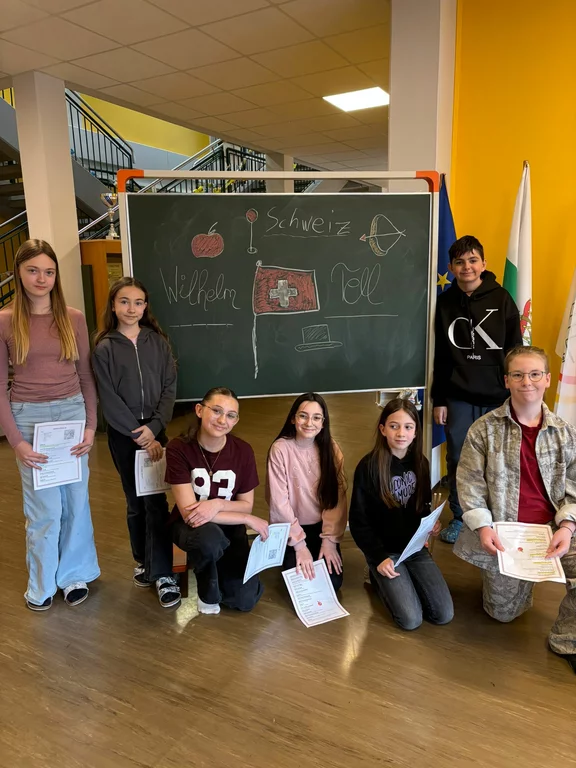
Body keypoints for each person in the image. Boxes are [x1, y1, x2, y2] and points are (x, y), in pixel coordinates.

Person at [454, 345, 576, 674]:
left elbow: (575, 486)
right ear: (507, 380)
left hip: (553, 529)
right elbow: (469, 484)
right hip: (506, 532)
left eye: (535, 374)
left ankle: (566, 641)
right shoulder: (483, 430)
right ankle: (520, 582)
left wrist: (567, 527)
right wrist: (483, 527)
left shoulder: (565, 433)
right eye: (518, 375)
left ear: (547, 379)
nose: (527, 382)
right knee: (503, 614)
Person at [0, 239, 100, 611]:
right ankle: (41, 584)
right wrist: (16, 441)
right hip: (29, 420)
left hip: (72, 416)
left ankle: (74, 575)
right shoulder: (5, 321)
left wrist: (90, 427)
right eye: (33, 270)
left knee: (75, 501)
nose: (41, 279)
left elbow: (86, 375)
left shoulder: (73, 318)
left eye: (49, 271)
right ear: (18, 273)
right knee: (44, 510)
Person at [92, 277, 179, 609]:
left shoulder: (158, 343)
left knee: (156, 500)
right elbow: (108, 397)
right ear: (113, 306)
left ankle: (163, 573)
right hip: (125, 435)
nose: (131, 308)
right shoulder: (104, 348)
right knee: (135, 501)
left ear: (145, 307)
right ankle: (143, 560)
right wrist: (137, 432)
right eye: (124, 301)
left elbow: (169, 387)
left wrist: (154, 428)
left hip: (155, 430)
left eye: (138, 302)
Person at [432, 235, 522, 544]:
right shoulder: (445, 303)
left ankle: (497, 516)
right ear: (451, 267)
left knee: (498, 459)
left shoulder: (502, 299)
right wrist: (439, 399)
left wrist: (516, 393)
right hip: (458, 396)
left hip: (498, 396)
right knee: (459, 457)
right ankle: (460, 516)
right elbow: (441, 356)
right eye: (460, 262)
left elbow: (514, 350)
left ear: (483, 264)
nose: (467, 267)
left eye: (473, 260)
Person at [349, 398, 453, 631]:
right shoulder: (368, 467)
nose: (401, 433)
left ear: (415, 432)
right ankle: (375, 575)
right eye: (394, 426)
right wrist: (378, 557)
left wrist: (429, 525)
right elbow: (358, 521)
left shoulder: (421, 463)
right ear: (382, 429)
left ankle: (403, 578)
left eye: (408, 427)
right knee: (410, 620)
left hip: (413, 548)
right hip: (385, 552)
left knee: (443, 614)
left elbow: (422, 507)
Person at [165, 386, 268, 615]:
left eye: (230, 415)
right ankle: (207, 590)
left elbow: (246, 504)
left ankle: (219, 568)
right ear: (199, 410)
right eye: (216, 411)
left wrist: (217, 504)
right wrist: (247, 519)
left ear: (236, 420)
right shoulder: (178, 448)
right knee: (210, 539)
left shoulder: (243, 451)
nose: (222, 420)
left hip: (230, 528)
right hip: (191, 528)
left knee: (244, 600)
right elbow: (189, 514)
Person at [266, 392, 347, 591]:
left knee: (332, 583)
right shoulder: (280, 449)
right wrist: (300, 547)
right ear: (293, 418)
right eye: (303, 416)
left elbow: (337, 498)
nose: (309, 423)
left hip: (322, 527)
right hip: (291, 527)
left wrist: (329, 541)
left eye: (316, 418)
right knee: (302, 584)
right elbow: (279, 503)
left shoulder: (331, 448)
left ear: (323, 423)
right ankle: (288, 552)